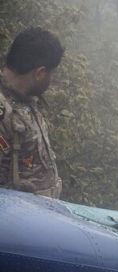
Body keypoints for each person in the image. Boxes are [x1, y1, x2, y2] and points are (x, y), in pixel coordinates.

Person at [0, 27, 64, 198]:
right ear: (40, 73)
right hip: (14, 212)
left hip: (42, 210)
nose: (52, 79)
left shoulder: (27, 98)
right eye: (51, 73)